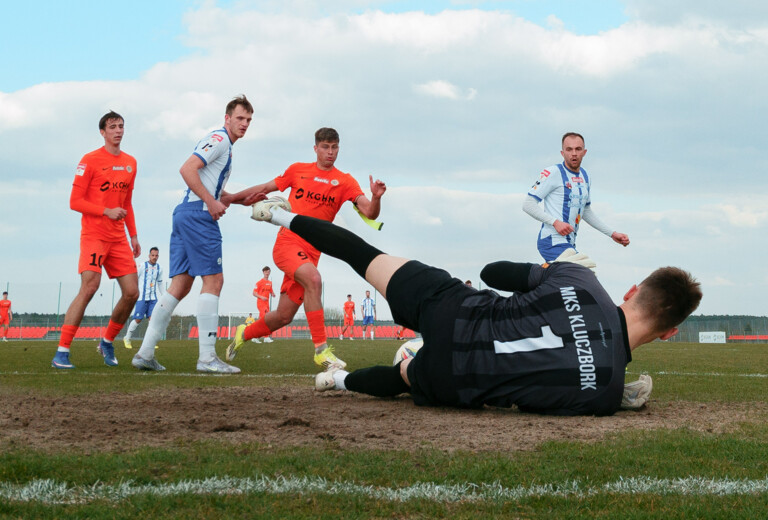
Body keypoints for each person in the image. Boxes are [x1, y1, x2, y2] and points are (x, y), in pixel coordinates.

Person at [250, 199, 702, 416]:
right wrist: (613, 394)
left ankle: (279, 215)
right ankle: (341, 380)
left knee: (362, 254)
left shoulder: (581, 278)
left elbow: (491, 272)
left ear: (631, 289)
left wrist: (555, 268)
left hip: (455, 308)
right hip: (463, 373)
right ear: (669, 332)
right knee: (405, 377)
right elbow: (525, 404)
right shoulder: (604, 392)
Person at [225, 127, 387, 369]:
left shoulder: (344, 181)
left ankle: (243, 334)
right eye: (325, 147)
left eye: (334, 147)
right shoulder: (297, 170)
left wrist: (376, 197)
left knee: (283, 316)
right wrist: (230, 198)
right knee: (314, 280)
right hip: (287, 244)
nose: (330, 152)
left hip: (312, 253)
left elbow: (369, 212)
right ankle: (321, 350)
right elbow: (265, 188)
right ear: (316, 148)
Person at [131, 95, 257, 373]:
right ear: (227, 118)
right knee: (214, 280)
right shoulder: (220, 139)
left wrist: (234, 198)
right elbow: (187, 169)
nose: (244, 124)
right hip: (197, 216)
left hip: (184, 213)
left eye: (248, 120)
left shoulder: (223, 144)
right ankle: (208, 357)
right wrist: (211, 203)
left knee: (180, 286)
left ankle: (144, 353)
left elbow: (208, 185)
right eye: (239, 118)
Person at [51, 111, 141, 369]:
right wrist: (105, 211)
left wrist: (133, 235)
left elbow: (127, 203)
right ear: (102, 132)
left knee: (132, 292)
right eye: (112, 126)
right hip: (94, 236)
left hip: (119, 238)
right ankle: (62, 352)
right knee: (90, 287)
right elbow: (74, 202)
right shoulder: (89, 160)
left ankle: (107, 341)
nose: (118, 130)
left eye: (121, 126)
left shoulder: (131, 162)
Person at [523, 132, 630, 263]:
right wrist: (555, 222)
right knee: (584, 272)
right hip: (552, 241)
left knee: (578, 278)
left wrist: (612, 233)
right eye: (569, 149)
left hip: (569, 244)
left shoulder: (585, 176)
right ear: (562, 153)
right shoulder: (553, 172)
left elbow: (585, 210)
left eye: (578, 149)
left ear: (584, 152)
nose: (574, 153)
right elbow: (528, 204)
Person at [123, 247, 163, 349]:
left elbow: (160, 283)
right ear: (149, 255)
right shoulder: (142, 266)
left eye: (156, 255)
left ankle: (149, 343)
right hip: (142, 298)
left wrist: (164, 296)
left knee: (152, 320)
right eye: (152, 255)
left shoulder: (159, 268)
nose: (154, 257)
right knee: (138, 319)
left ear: (158, 256)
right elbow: (135, 278)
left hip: (153, 298)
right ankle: (127, 338)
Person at [252, 266, 275, 343]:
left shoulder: (270, 283)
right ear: (263, 272)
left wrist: (273, 293)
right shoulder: (259, 283)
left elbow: (270, 290)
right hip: (261, 303)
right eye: (266, 272)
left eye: (268, 272)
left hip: (267, 304)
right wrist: (261, 297)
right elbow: (254, 293)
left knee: (261, 321)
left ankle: (255, 336)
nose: (267, 273)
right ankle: (266, 337)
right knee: (265, 319)